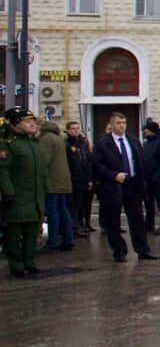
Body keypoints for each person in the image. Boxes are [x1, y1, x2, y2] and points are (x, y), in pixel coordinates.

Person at [92, 112, 158, 262]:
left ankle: (143, 250)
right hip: (113, 185)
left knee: (137, 218)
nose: (122, 126)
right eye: (118, 123)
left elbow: (140, 162)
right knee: (113, 220)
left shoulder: (133, 141)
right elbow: (96, 165)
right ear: (111, 125)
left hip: (133, 184)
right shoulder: (102, 143)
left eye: (124, 122)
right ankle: (119, 251)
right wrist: (113, 175)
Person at [0, 107, 49, 276]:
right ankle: (16, 264)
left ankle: (29, 261)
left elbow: (43, 171)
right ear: (17, 124)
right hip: (17, 196)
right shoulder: (10, 145)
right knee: (14, 233)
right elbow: (3, 170)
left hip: (36, 196)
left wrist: (46, 190)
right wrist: (8, 191)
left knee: (32, 232)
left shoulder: (37, 144)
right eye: (27, 122)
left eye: (33, 122)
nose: (32, 124)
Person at [39, 121, 75, 251]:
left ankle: (52, 241)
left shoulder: (46, 139)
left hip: (52, 180)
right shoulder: (60, 139)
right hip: (63, 179)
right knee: (63, 209)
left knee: (52, 210)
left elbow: (45, 160)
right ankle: (68, 238)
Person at [141, 121, 160, 235]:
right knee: (149, 203)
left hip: (158, 179)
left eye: (146, 130)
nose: (144, 132)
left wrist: (158, 176)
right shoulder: (147, 143)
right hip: (147, 178)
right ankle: (149, 224)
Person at [65, 121, 95, 234]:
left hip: (83, 179)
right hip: (72, 179)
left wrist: (89, 179)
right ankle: (72, 228)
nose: (76, 130)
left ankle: (78, 226)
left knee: (79, 205)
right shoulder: (66, 144)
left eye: (77, 128)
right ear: (68, 130)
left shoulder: (82, 143)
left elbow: (87, 162)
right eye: (73, 128)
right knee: (71, 206)